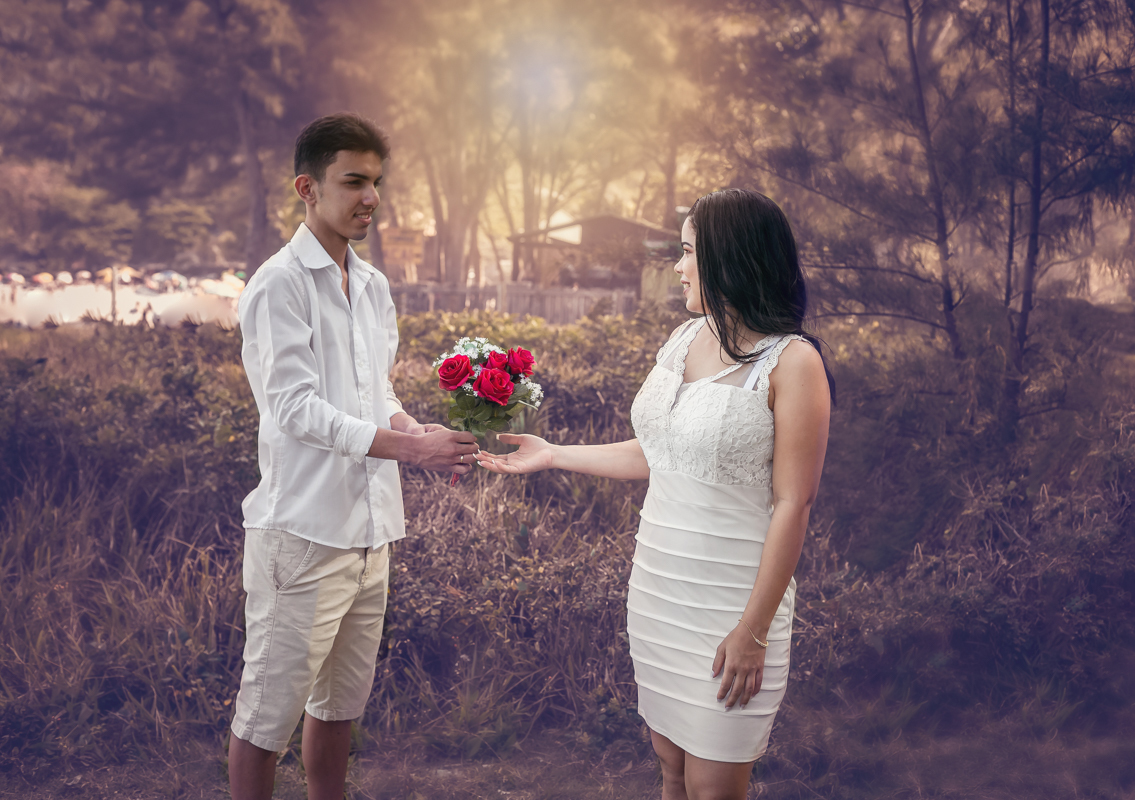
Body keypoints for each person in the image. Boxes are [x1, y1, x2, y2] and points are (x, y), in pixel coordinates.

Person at [478, 188, 833, 800]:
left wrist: (753, 630)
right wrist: (554, 453)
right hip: (660, 592)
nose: (677, 264)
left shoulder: (793, 363)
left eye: (689, 250)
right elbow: (661, 454)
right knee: (670, 769)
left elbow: (792, 504)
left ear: (730, 257)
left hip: (734, 604)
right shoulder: (682, 340)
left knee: (712, 787)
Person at [230, 112, 479, 800]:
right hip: (302, 536)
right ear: (308, 188)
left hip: (371, 533)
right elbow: (294, 408)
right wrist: (408, 449)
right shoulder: (278, 286)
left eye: (376, 182)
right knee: (265, 718)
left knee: (339, 706)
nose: (370, 196)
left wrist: (415, 427)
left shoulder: (371, 285)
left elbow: (376, 393)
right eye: (353, 182)